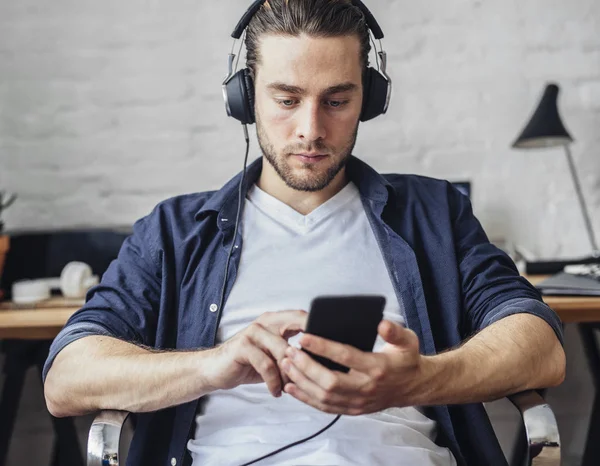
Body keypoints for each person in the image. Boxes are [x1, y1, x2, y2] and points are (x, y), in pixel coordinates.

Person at [43, 1, 565, 465]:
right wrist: (213, 365)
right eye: (287, 99)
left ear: (371, 97)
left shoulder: (434, 214)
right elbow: (68, 378)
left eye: (336, 101)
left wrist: (420, 379)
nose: (311, 129)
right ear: (244, 98)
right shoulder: (176, 231)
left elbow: (540, 346)